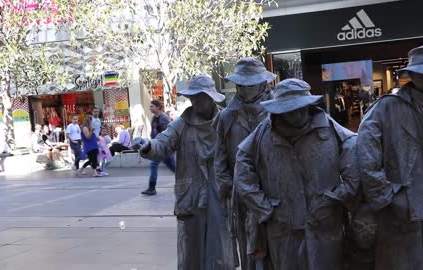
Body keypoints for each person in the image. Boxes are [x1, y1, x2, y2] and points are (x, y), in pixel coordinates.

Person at [235, 79, 359, 270]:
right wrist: (265, 208)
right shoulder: (263, 133)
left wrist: (333, 198)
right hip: (283, 228)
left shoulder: (330, 129)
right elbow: (242, 172)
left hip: (324, 227)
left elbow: (354, 167)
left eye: (303, 107)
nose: (299, 113)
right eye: (292, 109)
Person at [132, 75, 235, 270]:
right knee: (190, 253)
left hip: (219, 194)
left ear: (211, 97)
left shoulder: (225, 121)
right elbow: (163, 143)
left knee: (220, 250)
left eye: (200, 97)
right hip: (191, 197)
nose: (195, 101)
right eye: (193, 97)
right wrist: (147, 146)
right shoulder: (182, 123)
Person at [357, 45, 423, 270]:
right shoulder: (385, 108)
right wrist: (388, 196)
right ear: (411, 75)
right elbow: (366, 156)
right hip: (401, 212)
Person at [214, 57, 276, 270]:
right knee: (249, 252)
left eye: (250, 84)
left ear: (262, 83)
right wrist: (231, 188)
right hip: (242, 199)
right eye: (241, 84)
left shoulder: (277, 111)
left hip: (276, 194)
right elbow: (220, 160)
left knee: (278, 253)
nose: (245, 89)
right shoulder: (226, 117)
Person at [141, 100, 176, 196]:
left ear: (158, 107)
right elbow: (153, 131)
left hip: (163, 146)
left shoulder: (164, 118)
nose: (150, 108)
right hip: (157, 145)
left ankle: (152, 188)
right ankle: (184, 179)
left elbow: (168, 132)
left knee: (155, 165)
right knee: (171, 165)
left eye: (152, 106)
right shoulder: (154, 118)